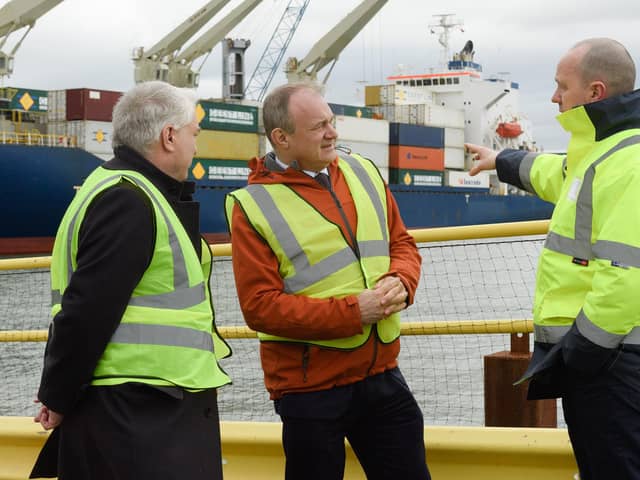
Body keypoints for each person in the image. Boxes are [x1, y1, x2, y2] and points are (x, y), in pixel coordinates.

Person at [225, 83, 430, 480]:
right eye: (319, 126)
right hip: (310, 390)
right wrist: (356, 312)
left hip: (382, 375)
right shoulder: (252, 206)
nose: (333, 132)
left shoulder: (364, 171)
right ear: (281, 138)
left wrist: (403, 282)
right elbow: (260, 308)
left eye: (331, 122)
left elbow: (401, 243)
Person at [31, 81, 232, 479]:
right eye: (194, 133)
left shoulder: (112, 188)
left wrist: (59, 392)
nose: (197, 145)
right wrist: (57, 395)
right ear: (169, 136)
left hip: (139, 411)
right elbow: (86, 311)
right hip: (140, 419)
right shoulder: (129, 200)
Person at [466, 38, 640, 479]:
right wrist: (500, 160)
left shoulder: (630, 161)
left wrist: (584, 351)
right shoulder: (603, 149)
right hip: (609, 357)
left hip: (614, 360)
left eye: (562, 86)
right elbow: (556, 173)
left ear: (595, 93)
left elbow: (628, 274)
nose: (553, 97)